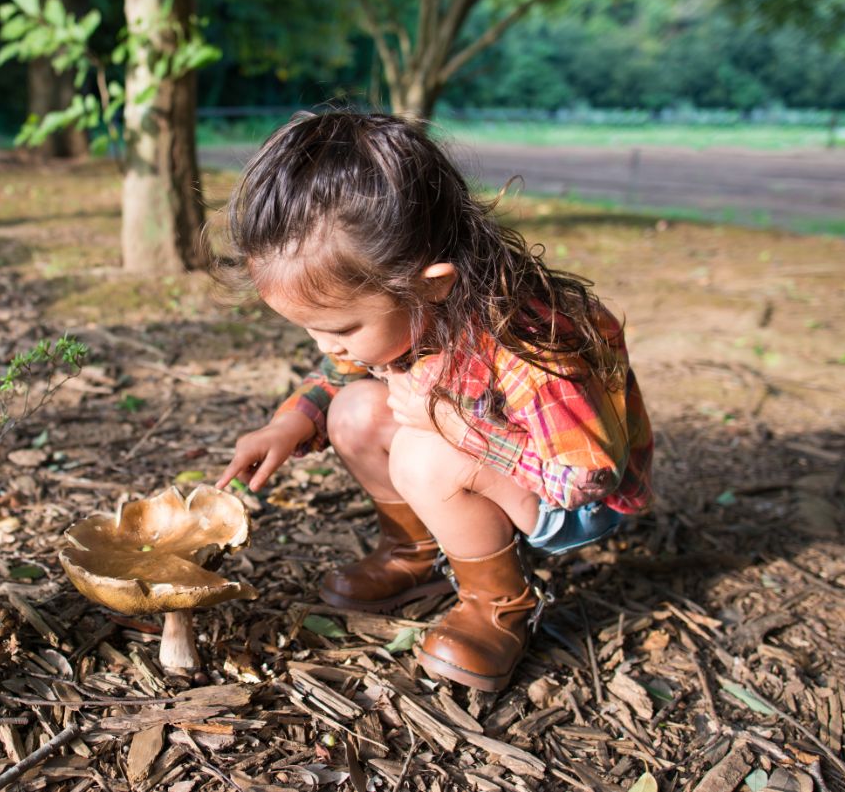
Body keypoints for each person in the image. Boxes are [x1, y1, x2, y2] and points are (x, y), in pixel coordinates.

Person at [214, 112, 653, 693]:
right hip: (508, 464)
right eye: (312, 332)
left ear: (432, 284)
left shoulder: (532, 346)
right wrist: (287, 425)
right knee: (355, 413)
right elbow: (339, 380)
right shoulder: (400, 310)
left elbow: (587, 477)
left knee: (425, 456)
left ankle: (500, 604)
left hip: (575, 500)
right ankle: (415, 553)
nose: (328, 347)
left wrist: (452, 425)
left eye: (341, 330)